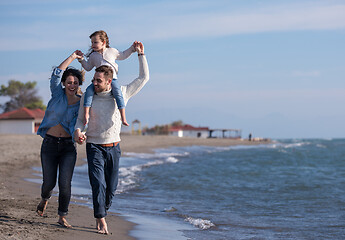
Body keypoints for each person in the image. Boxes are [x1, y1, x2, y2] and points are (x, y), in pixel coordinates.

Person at [74, 42, 148, 234]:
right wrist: (78, 131)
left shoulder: (122, 93)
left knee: (111, 187)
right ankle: (100, 218)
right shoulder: (88, 98)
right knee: (97, 183)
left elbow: (143, 77)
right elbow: (81, 120)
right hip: (94, 146)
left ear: (109, 81)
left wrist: (141, 55)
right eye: (94, 79)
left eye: (98, 80)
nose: (94, 83)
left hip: (114, 147)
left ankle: (102, 209)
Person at [36, 51, 84, 228]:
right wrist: (72, 57)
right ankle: (44, 198)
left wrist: (82, 135)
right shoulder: (57, 94)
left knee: (65, 184)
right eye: (69, 82)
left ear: (79, 84)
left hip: (68, 148)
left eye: (76, 83)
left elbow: (85, 121)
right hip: (49, 144)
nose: (72, 85)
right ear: (64, 83)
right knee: (49, 183)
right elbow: (57, 72)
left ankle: (62, 216)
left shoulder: (82, 102)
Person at [77, 30, 137, 127]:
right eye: (92, 42)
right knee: (88, 91)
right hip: (98, 81)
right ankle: (86, 114)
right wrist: (81, 59)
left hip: (112, 79)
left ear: (103, 42)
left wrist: (132, 48)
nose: (93, 45)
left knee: (118, 94)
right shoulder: (93, 56)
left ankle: (123, 116)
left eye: (95, 42)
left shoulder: (112, 51)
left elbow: (123, 55)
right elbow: (88, 67)